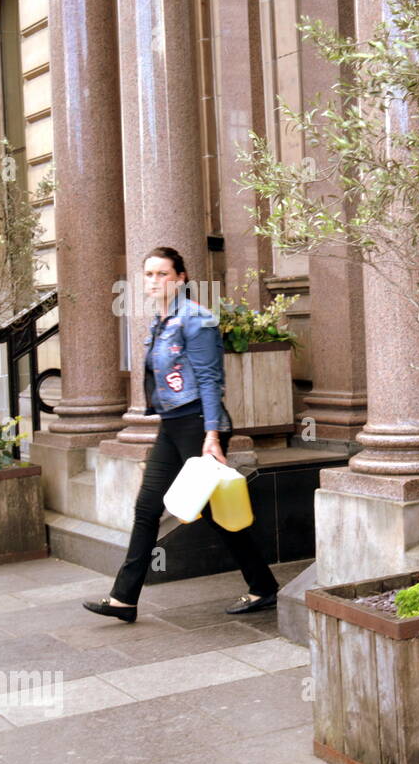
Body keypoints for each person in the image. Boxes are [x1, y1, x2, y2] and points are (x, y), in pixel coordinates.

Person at [82, 247, 279, 623]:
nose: (155, 281)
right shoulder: (160, 320)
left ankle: (263, 585)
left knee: (215, 511)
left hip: (197, 424)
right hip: (172, 426)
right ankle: (124, 599)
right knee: (147, 508)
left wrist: (212, 436)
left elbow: (210, 379)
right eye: (150, 274)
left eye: (163, 274)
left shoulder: (197, 320)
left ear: (182, 278)